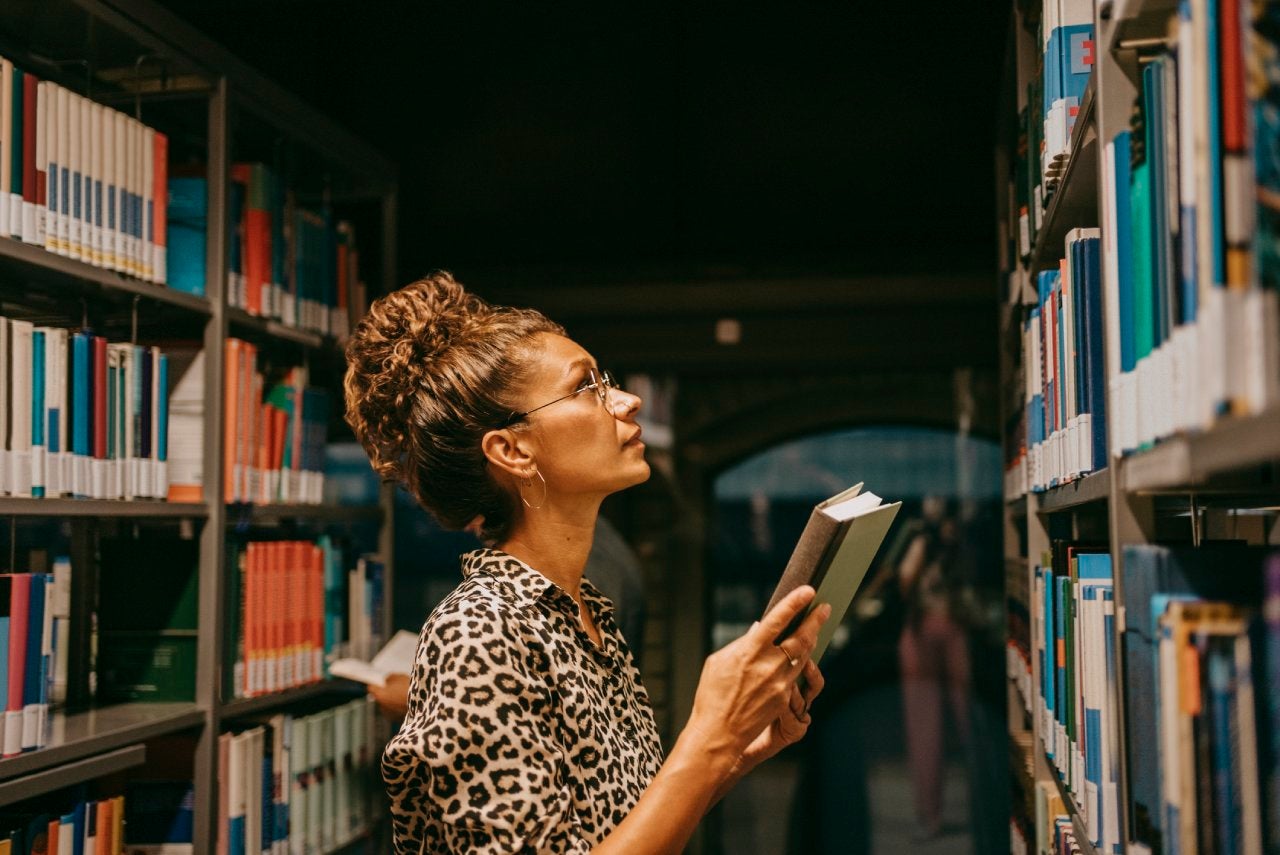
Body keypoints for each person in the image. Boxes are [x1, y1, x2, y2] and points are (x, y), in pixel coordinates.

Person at [343, 272, 830, 854]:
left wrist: (737, 750)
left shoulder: (582, 610)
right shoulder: (479, 633)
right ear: (512, 450)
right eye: (586, 388)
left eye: (607, 382)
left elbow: (619, 827)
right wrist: (708, 737)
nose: (626, 400)